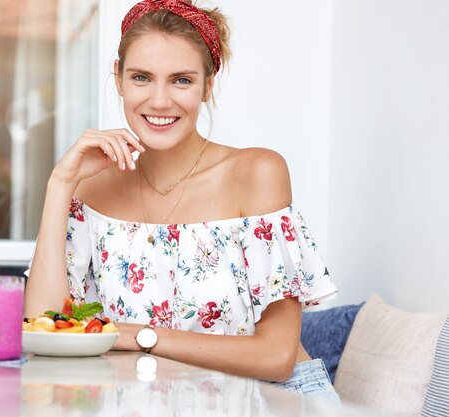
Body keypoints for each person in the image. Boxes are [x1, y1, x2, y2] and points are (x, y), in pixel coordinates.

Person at [25, 0, 339, 400]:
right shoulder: (91, 187)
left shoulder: (257, 173)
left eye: (181, 80)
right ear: (118, 79)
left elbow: (276, 356)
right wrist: (60, 183)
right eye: (141, 77)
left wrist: (136, 336)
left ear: (208, 86)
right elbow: (43, 330)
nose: (159, 101)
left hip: (272, 399)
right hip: (151, 402)